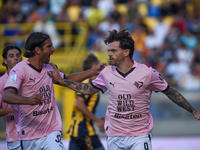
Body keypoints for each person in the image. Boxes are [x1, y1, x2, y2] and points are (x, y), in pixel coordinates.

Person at [50, 29, 200, 150]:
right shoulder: (106, 72)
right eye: (109, 50)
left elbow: (170, 91)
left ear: (126, 52)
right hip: (114, 136)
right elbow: (88, 89)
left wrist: (193, 110)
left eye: (113, 51)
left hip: (139, 137)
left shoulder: (147, 73)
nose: (109, 54)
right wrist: (62, 82)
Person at [2, 32, 106, 150]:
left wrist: (93, 71)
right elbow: (7, 95)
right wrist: (28, 100)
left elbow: (66, 79)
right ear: (37, 50)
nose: (53, 49)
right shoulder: (19, 70)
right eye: (49, 46)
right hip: (29, 136)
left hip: (51, 131)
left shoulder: (50, 67)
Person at [67, 53, 105, 150]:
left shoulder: (90, 83)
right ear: (94, 66)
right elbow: (79, 103)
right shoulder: (87, 83)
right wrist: (97, 121)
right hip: (84, 130)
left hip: (76, 130)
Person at [0, 45, 22, 150]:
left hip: (35, 135)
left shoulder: (28, 77)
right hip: (15, 139)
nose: (16, 58)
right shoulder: (1, 82)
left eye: (18, 55)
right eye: (11, 56)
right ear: (5, 60)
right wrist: (12, 108)